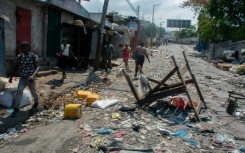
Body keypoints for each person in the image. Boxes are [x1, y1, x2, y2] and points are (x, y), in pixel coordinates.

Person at [9, 41, 40, 117]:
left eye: (25, 48)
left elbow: (38, 67)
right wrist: (11, 76)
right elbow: (16, 66)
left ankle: (36, 102)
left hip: (31, 78)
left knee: (33, 91)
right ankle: (16, 107)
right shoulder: (20, 56)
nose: (24, 50)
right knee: (19, 90)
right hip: (23, 77)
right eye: (22, 48)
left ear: (29, 48)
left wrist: (33, 76)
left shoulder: (33, 56)